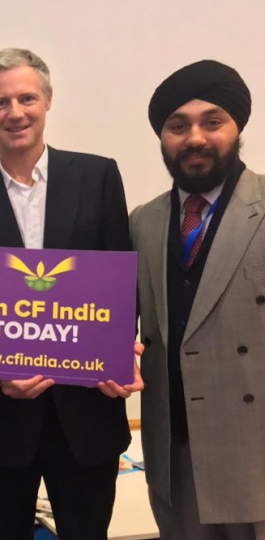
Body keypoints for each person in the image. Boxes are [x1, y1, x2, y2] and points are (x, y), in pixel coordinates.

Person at [0, 48, 143, 540]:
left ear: (48, 100)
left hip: (87, 413)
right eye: (0, 102)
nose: (15, 113)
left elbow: (120, 283)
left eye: (27, 98)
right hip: (0, 416)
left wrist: (116, 355)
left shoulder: (98, 177)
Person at [132, 60, 265, 540]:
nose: (195, 138)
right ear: (163, 138)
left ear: (237, 128)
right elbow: (113, 323)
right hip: (175, 458)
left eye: (212, 122)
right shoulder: (142, 223)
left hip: (255, 452)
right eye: (178, 125)